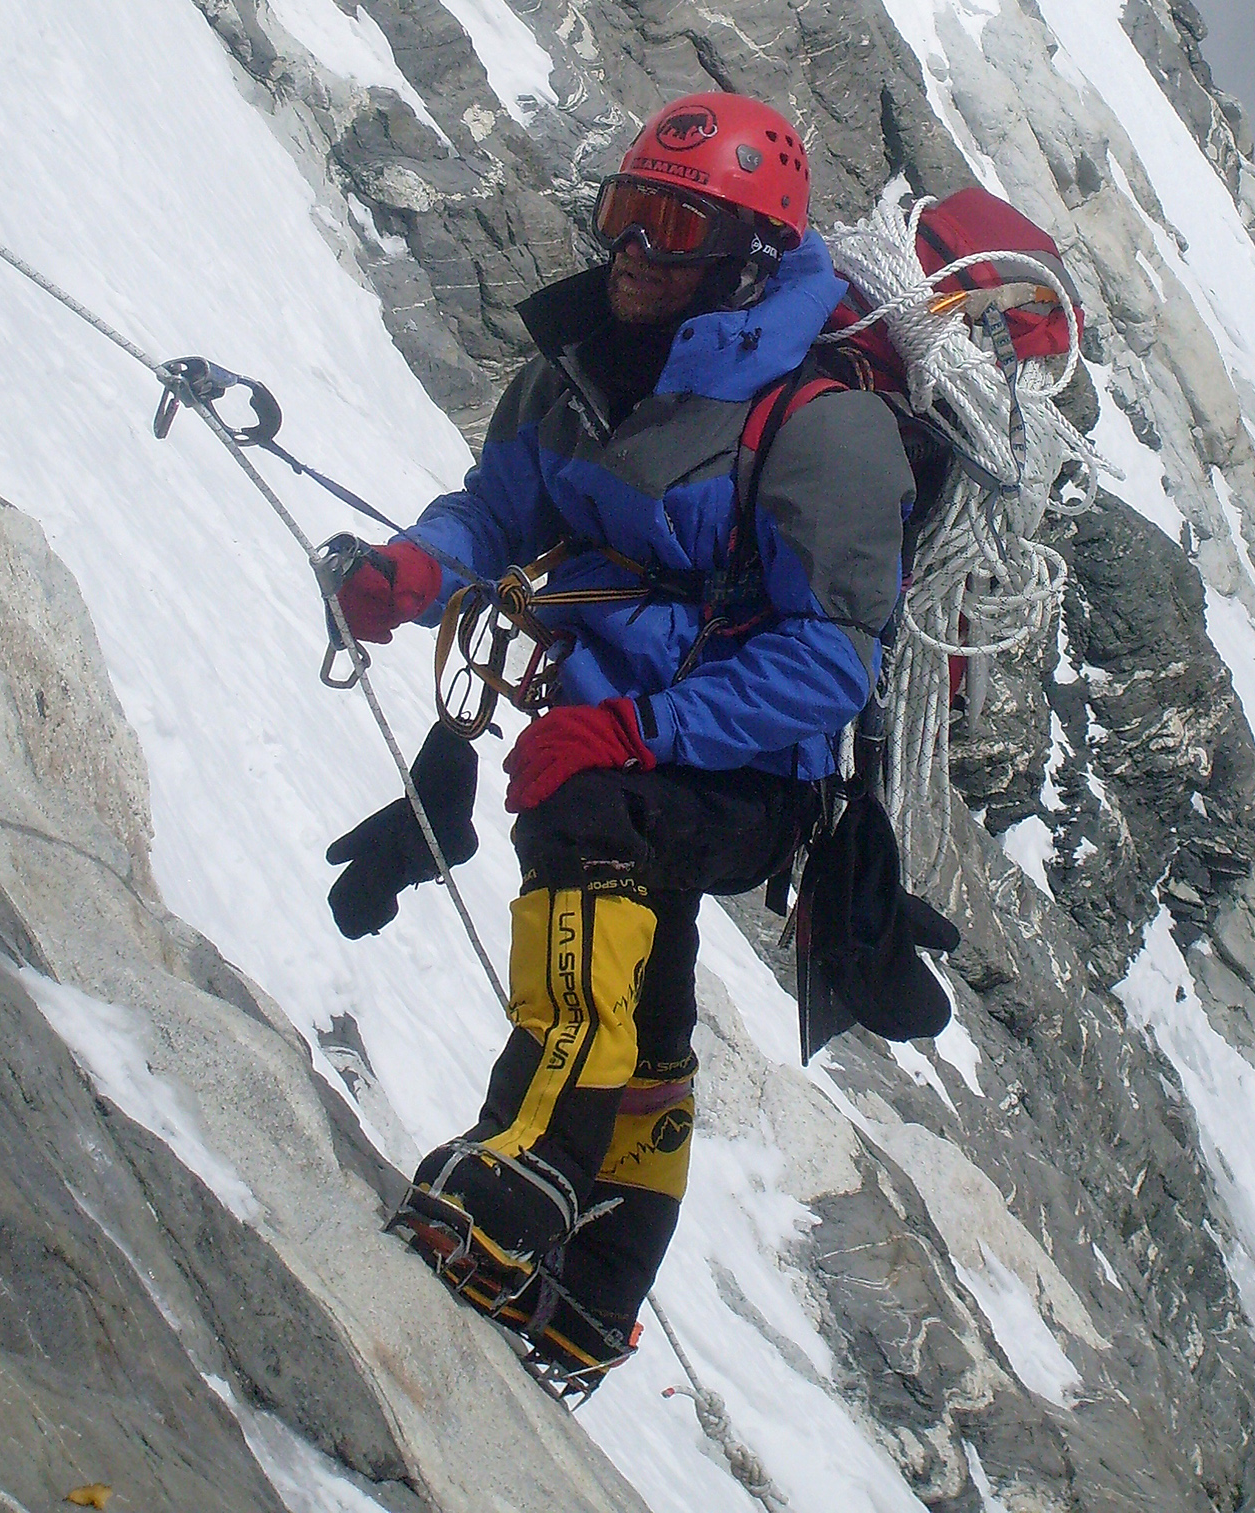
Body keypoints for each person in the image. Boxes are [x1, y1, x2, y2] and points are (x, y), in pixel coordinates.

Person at [334, 93, 915, 1386]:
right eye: (623, 213)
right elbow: (498, 505)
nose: (636, 248)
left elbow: (827, 661)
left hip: (747, 771)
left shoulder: (822, 426)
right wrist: (416, 571)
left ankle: (518, 1176)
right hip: (618, 726)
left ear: (751, 255)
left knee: (594, 828)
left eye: (675, 221)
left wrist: (634, 728)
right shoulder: (580, 369)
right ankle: (593, 1297)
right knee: (644, 1012)